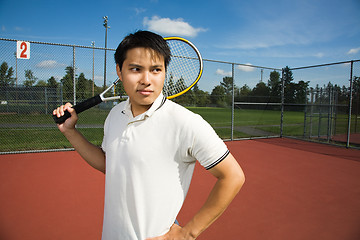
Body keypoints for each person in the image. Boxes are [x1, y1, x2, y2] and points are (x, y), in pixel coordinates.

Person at [53, 30, 245, 240]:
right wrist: (70, 132)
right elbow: (110, 164)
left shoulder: (186, 122)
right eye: (136, 69)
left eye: (156, 70)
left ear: (164, 72)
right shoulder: (116, 114)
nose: (146, 79)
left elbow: (233, 176)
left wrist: (186, 234)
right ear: (119, 71)